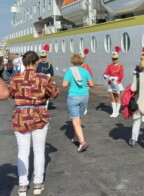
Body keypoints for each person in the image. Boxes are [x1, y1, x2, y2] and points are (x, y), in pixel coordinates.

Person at [7, 51, 60, 195]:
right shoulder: (43, 78)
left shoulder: (15, 78)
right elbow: (55, 93)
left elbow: (10, 94)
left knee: (23, 151)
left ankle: (23, 185)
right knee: (39, 150)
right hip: (39, 116)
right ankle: (38, 183)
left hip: (21, 116)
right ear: (36, 62)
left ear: (23, 63)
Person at [62, 54, 94, 152]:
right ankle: (75, 138)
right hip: (84, 95)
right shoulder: (85, 70)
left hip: (73, 96)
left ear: (72, 61)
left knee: (75, 120)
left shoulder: (69, 71)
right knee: (79, 117)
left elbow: (64, 84)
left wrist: (70, 82)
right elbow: (92, 84)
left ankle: (82, 142)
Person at [104, 50, 124, 117]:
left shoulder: (120, 66)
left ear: (117, 59)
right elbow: (106, 72)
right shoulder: (109, 66)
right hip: (110, 83)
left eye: (115, 59)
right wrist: (105, 75)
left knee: (118, 97)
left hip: (117, 83)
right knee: (112, 98)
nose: (114, 60)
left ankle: (117, 112)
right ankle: (114, 111)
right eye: (113, 59)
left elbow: (121, 75)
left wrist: (116, 78)